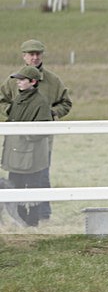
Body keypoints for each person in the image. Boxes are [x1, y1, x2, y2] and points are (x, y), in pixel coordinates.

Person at [0, 39, 73, 221]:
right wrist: (14, 112)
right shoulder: (13, 81)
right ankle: (14, 214)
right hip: (17, 140)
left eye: (37, 54)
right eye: (31, 54)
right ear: (24, 56)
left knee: (41, 175)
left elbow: (66, 103)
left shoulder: (53, 81)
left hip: (41, 139)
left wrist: (50, 113)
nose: (34, 57)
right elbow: (2, 101)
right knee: (15, 177)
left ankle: (42, 214)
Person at [1, 66, 53, 227]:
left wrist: (24, 135)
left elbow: (44, 128)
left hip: (31, 155)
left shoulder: (40, 102)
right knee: (14, 187)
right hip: (16, 153)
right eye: (18, 79)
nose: (18, 82)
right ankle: (20, 220)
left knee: (32, 188)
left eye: (22, 80)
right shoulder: (18, 99)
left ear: (33, 82)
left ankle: (32, 222)